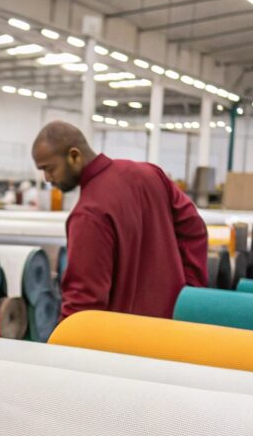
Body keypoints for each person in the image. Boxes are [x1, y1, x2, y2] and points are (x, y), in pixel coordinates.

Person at [32, 120, 207, 321]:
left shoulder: (89, 215)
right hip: (173, 329)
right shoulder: (150, 174)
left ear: (74, 156)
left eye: (49, 168)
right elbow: (195, 228)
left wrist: (61, 348)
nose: (46, 178)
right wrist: (188, 296)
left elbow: (83, 305)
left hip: (126, 342)